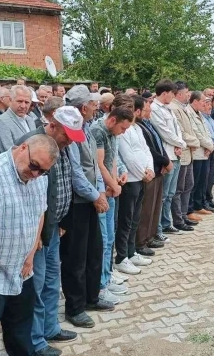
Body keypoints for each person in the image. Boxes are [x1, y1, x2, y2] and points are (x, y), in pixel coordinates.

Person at [0, 135, 57, 356]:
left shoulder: (39, 177)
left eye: (43, 171)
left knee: (20, 334)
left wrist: (30, 255)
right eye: (34, 166)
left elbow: (40, 212)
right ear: (23, 148)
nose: (36, 174)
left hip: (21, 271)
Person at [15, 106, 81, 356]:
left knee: (52, 282)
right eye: (66, 136)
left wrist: (62, 221)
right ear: (52, 125)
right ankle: (35, 340)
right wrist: (37, 235)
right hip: (37, 233)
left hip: (54, 227)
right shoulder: (31, 146)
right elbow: (26, 197)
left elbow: (65, 183)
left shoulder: (62, 146)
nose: (68, 142)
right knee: (37, 287)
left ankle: (50, 328)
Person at [60, 85, 112, 329]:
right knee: (75, 258)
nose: (96, 107)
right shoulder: (71, 133)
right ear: (82, 107)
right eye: (93, 104)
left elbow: (94, 166)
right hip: (78, 204)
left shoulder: (88, 128)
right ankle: (75, 307)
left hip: (92, 200)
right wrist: (95, 196)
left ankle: (92, 296)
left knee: (95, 251)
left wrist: (100, 191)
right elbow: (76, 172)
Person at [91, 105, 134, 301]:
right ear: (113, 120)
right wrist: (112, 184)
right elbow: (99, 164)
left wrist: (118, 177)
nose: (123, 132)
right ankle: (99, 286)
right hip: (102, 191)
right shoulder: (98, 131)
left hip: (110, 189)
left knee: (109, 239)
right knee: (102, 241)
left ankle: (106, 279)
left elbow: (113, 158)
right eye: (123, 128)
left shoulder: (113, 133)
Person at [114, 96, 155, 274]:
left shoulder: (136, 127)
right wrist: (142, 173)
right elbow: (127, 156)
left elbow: (145, 150)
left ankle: (131, 252)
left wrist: (150, 169)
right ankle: (121, 256)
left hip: (141, 177)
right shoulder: (124, 129)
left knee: (135, 219)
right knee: (126, 220)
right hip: (130, 179)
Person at [149, 79, 186, 238]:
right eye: (172, 94)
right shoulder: (154, 109)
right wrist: (180, 143)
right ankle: (157, 229)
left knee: (170, 193)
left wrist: (179, 143)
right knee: (162, 196)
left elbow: (176, 129)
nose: (173, 96)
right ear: (164, 93)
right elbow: (164, 132)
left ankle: (166, 223)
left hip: (175, 152)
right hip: (167, 155)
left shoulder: (168, 108)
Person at [135, 95, 172, 255]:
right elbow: (149, 150)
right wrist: (164, 161)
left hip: (158, 168)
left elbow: (159, 145)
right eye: (146, 110)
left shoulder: (147, 124)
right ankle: (141, 241)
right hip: (149, 171)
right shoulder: (137, 127)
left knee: (155, 206)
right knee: (146, 209)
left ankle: (150, 236)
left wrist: (165, 160)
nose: (149, 112)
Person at [168, 82, 201, 230]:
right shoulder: (174, 108)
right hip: (182, 154)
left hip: (189, 153)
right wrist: (197, 141)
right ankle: (178, 219)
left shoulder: (181, 107)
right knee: (179, 188)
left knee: (188, 185)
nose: (189, 95)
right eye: (187, 93)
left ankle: (183, 214)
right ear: (180, 93)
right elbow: (181, 133)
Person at [185, 91, 214, 216]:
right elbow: (196, 133)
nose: (205, 104)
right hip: (197, 152)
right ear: (196, 101)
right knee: (194, 182)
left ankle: (199, 205)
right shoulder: (189, 112)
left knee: (203, 181)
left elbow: (206, 131)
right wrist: (210, 146)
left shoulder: (199, 113)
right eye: (203, 101)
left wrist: (210, 146)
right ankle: (190, 208)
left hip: (205, 152)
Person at [0, 85, 36, 152]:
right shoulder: (0, 121)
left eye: (27, 102)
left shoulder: (30, 120)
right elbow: (8, 152)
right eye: (19, 101)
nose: (23, 106)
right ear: (10, 100)